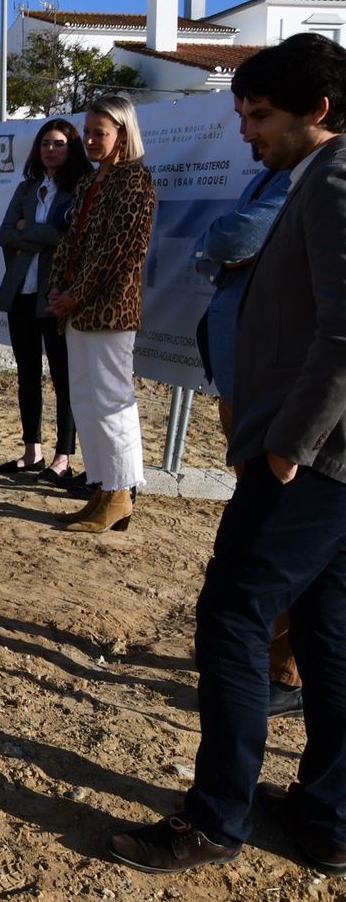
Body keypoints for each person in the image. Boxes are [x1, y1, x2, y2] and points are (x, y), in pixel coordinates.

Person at [107, 32, 346, 879]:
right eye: (242, 113)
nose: (247, 130)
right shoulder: (308, 176)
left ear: (317, 112)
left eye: (262, 116)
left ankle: (215, 819)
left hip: (315, 462)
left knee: (233, 619)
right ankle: (330, 817)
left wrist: (288, 447)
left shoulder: (335, 178)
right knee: (326, 631)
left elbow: (342, 336)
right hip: (324, 461)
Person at [194, 150, 298, 719]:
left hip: (279, 391)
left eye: (259, 114)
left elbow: (233, 239)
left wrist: (218, 249)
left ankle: (288, 666)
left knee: (281, 533)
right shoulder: (277, 169)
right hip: (246, 376)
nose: (246, 131)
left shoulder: (317, 174)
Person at [47, 97, 155, 533]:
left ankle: (121, 492)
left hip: (110, 310)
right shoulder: (90, 182)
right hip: (77, 308)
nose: (90, 140)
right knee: (86, 399)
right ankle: (103, 487)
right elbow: (70, 241)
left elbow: (119, 253)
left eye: (100, 133)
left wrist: (75, 294)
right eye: (88, 132)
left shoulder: (135, 181)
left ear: (123, 136)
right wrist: (58, 287)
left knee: (112, 401)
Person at [0, 119, 90, 482]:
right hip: (21, 292)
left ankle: (63, 457)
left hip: (56, 295)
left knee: (63, 377)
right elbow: (4, 233)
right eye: (46, 142)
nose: (51, 149)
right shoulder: (28, 187)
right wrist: (41, 236)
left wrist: (26, 232)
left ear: (72, 148)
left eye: (59, 143)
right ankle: (32, 450)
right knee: (27, 373)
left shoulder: (80, 189)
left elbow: (69, 239)